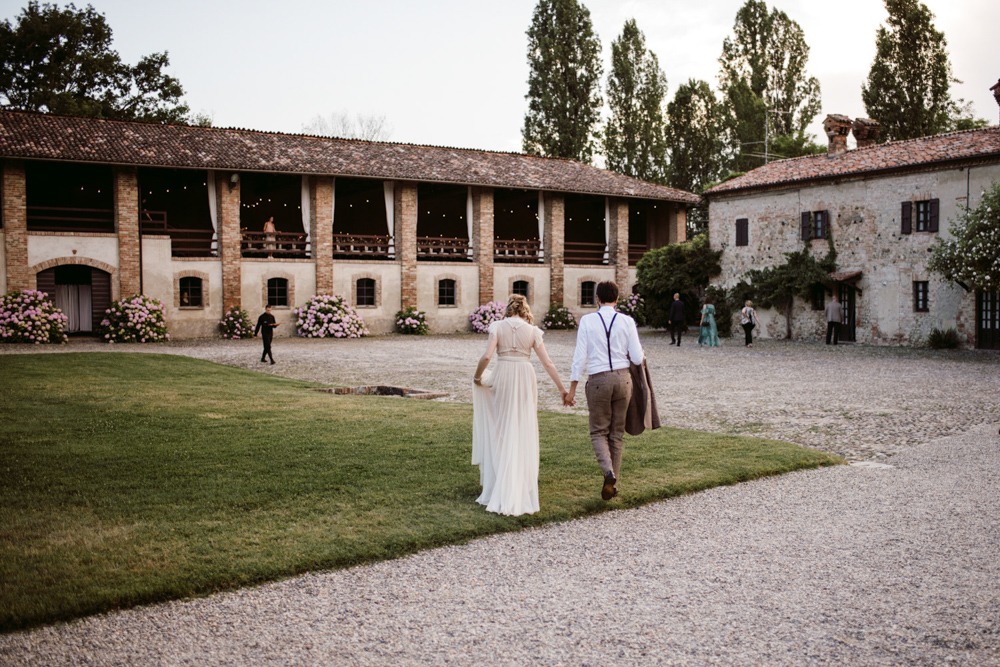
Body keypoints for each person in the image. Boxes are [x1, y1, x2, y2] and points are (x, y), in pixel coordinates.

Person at [472, 295, 568, 516]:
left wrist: (477, 377)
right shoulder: (533, 331)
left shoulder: (497, 326)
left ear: (508, 309)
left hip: (503, 372)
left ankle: (501, 481)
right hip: (525, 375)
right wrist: (562, 389)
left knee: (501, 426)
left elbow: (487, 356)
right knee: (522, 426)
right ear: (525, 310)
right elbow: (548, 363)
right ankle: (517, 482)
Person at [565, 281, 644, 501]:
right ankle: (613, 482)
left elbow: (580, 357)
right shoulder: (627, 321)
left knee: (599, 431)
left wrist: (572, 389)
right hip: (623, 380)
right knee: (616, 434)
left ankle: (608, 473)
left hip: (599, 380)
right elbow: (637, 358)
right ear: (617, 299)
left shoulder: (588, 321)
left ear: (597, 299)